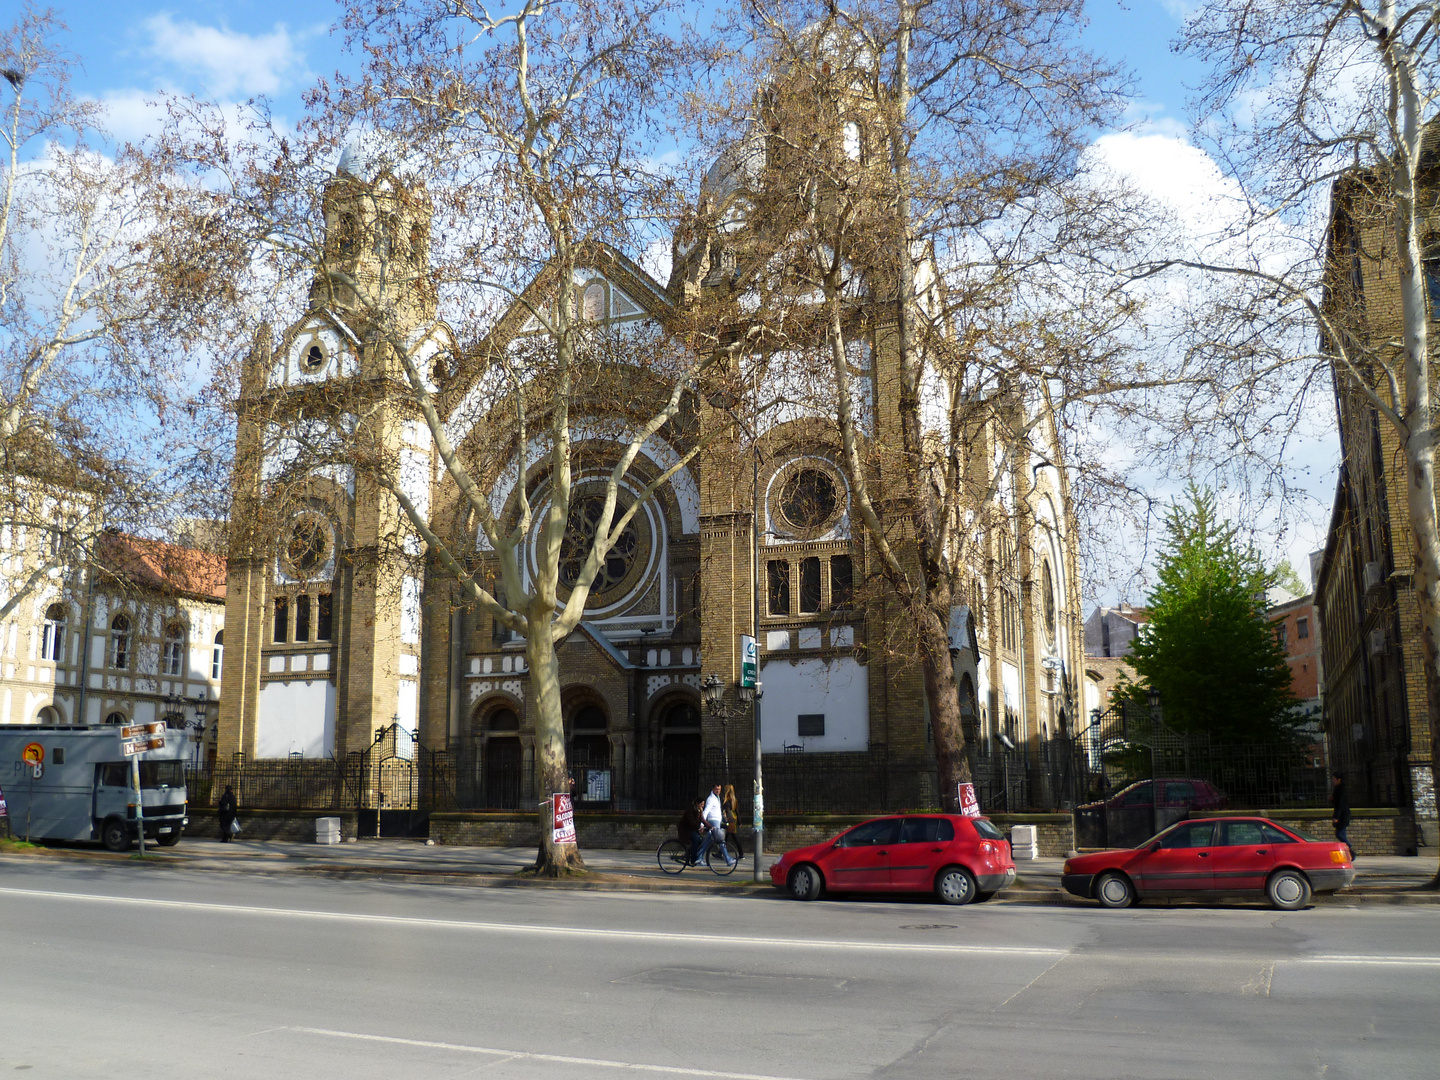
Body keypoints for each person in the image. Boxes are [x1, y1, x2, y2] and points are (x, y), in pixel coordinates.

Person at [695, 783, 734, 867]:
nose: (718, 791)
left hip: (716, 822)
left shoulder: (717, 797)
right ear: (712, 789)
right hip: (713, 822)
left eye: (719, 789)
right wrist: (702, 824)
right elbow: (706, 811)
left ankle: (698, 857)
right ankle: (728, 859)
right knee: (720, 841)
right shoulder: (711, 799)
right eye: (716, 789)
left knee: (708, 841)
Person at [1330, 771, 1353, 859]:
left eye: (1334, 779)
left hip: (1343, 815)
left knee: (1339, 833)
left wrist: (1336, 817)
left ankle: (1350, 849)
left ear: (1339, 780)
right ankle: (1348, 852)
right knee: (1341, 833)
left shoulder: (1341, 789)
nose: (1333, 781)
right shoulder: (1338, 788)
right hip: (1342, 814)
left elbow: (1340, 804)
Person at [677, 797, 704, 865]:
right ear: (697, 804)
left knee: (701, 840)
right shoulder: (690, 809)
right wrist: (699, 827)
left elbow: (703, 820)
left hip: (692, 829)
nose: (703, 806)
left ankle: (689, 852)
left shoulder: (699, 810)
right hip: (685, 830)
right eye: (702, 804)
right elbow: (691, 822)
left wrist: (709, 826)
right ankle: (693, 859)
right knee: (697, 839)